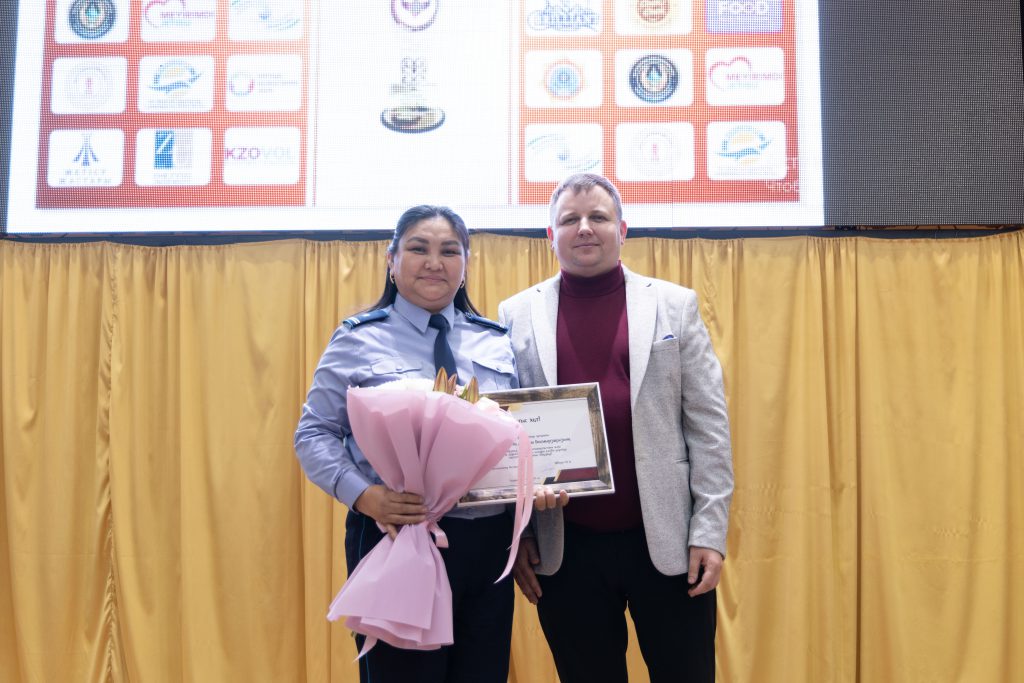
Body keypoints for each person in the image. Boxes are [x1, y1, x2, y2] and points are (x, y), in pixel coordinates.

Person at [497, 173, 734, 683]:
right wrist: (521, 534)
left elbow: (709, 426)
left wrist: (709, 533)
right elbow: (505, 435)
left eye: (598, 217)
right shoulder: (515, 314)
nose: (584, 228)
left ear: (622, 230)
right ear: (550, 235)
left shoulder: (674, 305)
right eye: (570, 219)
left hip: (669, 543)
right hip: (566, 549)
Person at [294, 205, 521, 683]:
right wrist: (364, 495)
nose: (434, 262)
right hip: (394, 532)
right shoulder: (358, 339)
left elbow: (520, 435)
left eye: (449, 251)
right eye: (419, 248)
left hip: (487, 542)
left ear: (466, 265)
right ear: (391, 259)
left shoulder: (497, 342)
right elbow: (314, 433)